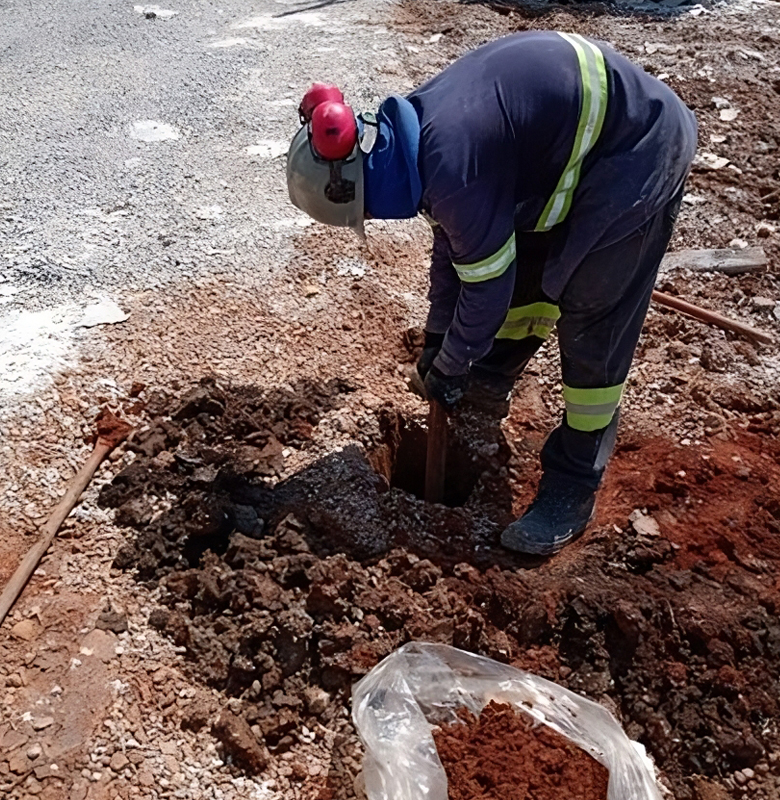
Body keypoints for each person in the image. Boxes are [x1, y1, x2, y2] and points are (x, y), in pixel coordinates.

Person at [285, 31, 697, 556]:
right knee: (521, 265)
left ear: (360, 187)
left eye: (363, 213)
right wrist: (438, 336)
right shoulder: (410, 137)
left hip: (637, 149)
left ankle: (573, 483)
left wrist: (452, 365)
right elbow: (453, 246)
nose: (371, 219)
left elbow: (486, 292)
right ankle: (494, 372)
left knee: (594, 315)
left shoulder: (451, 162)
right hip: (564, 155)